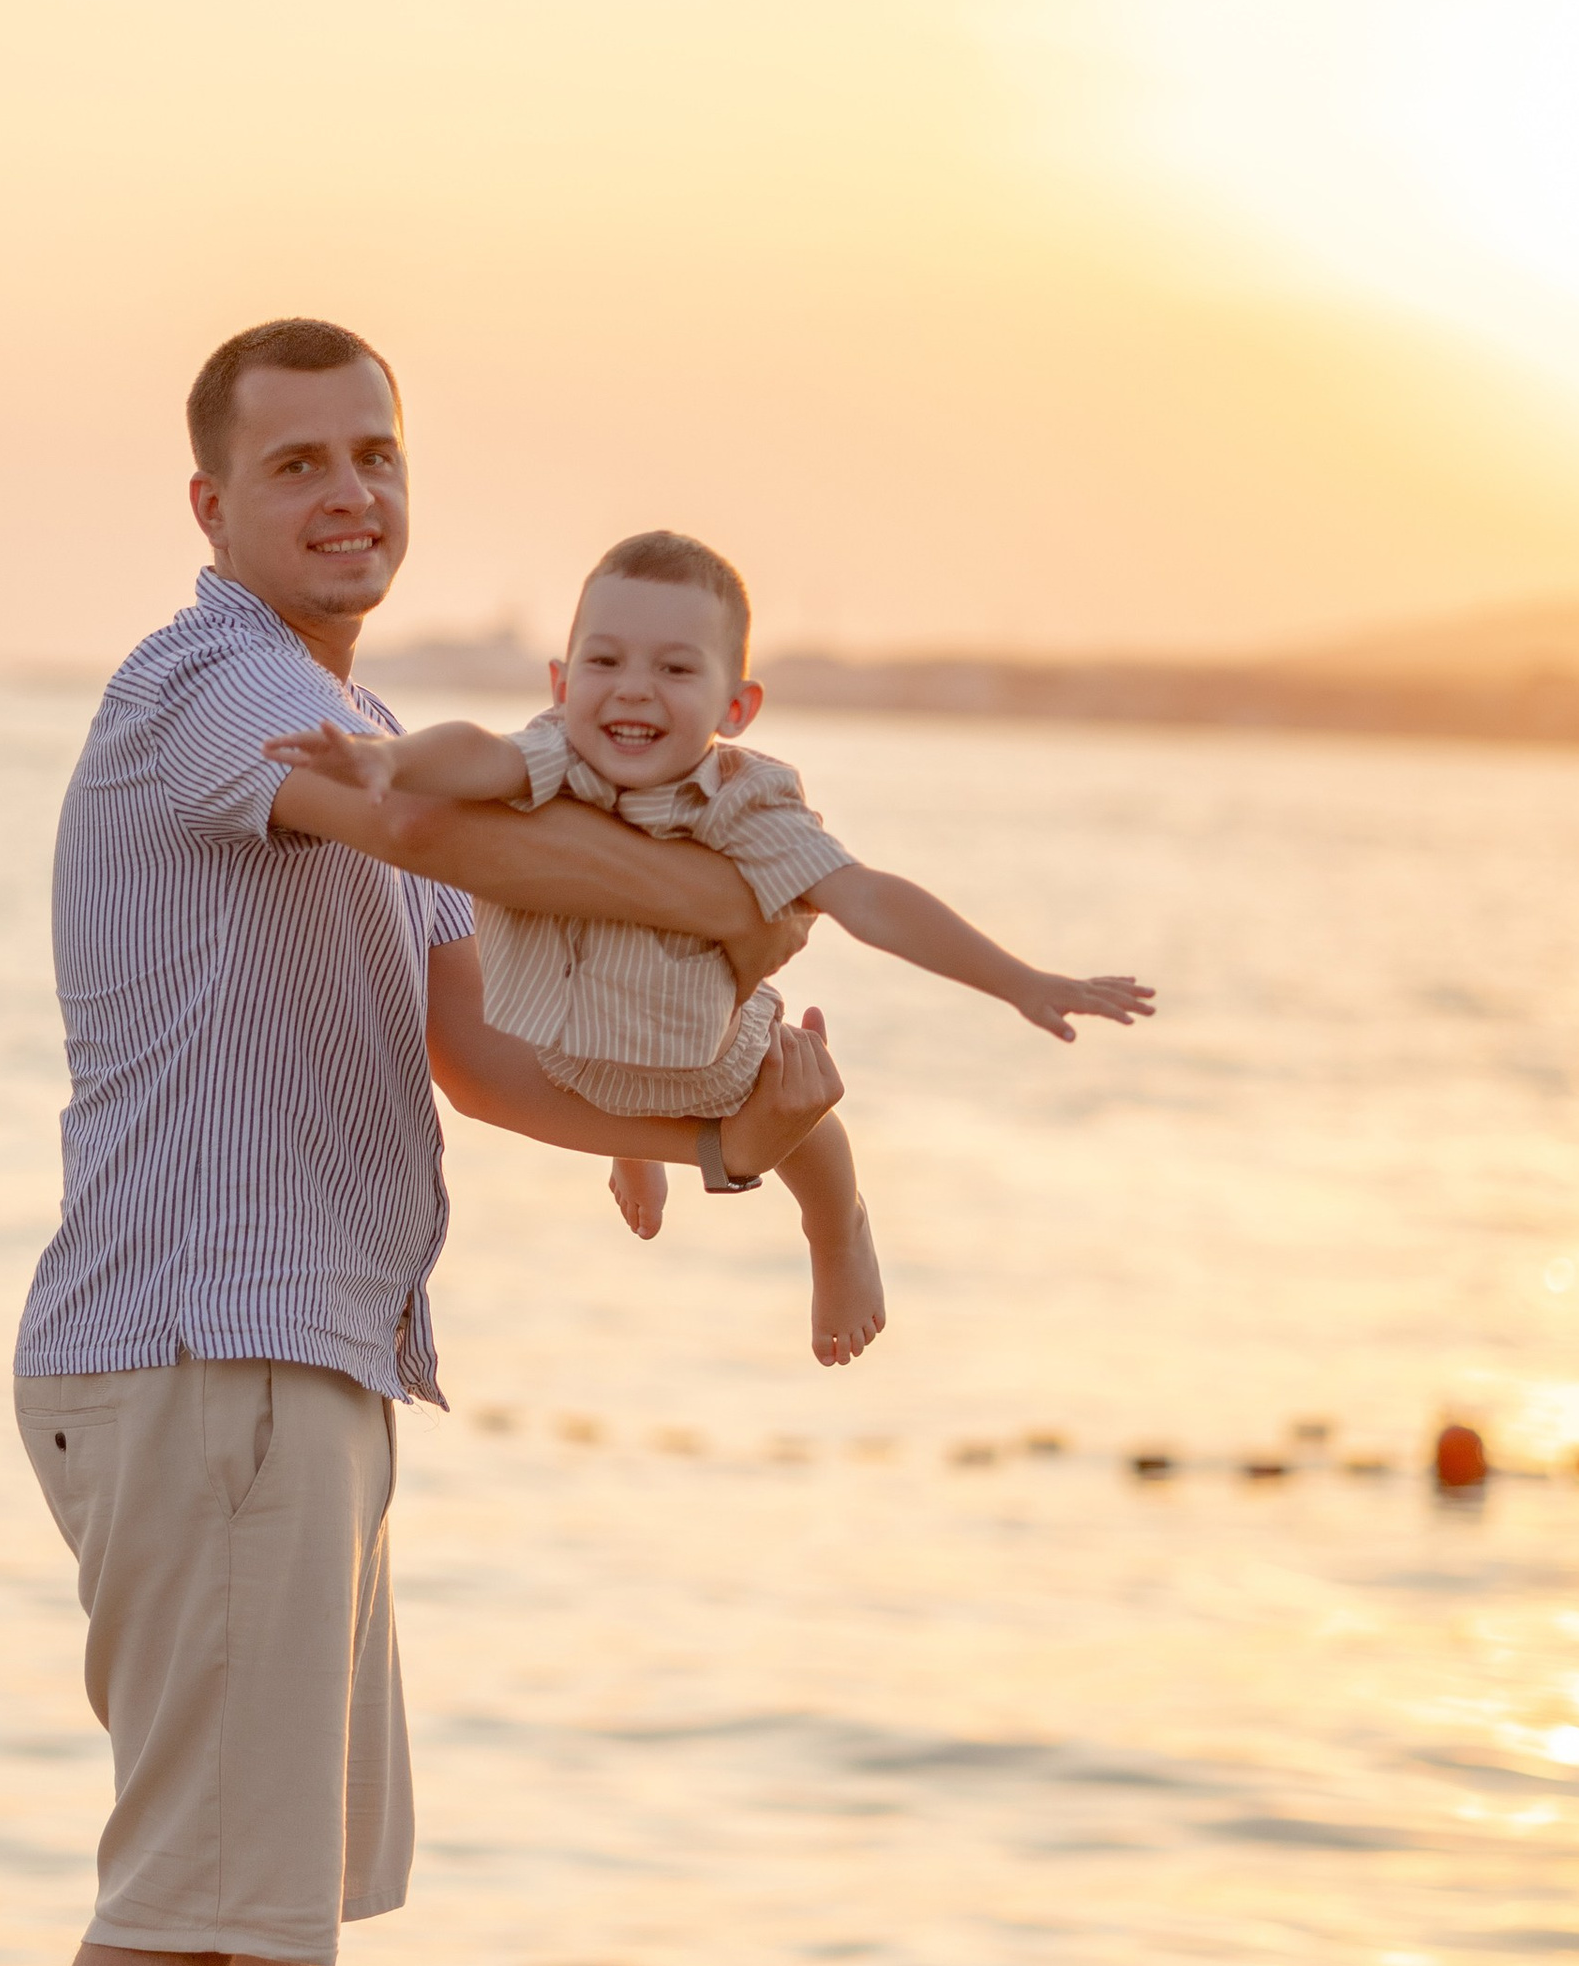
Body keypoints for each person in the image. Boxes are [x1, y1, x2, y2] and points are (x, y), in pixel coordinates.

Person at [13, 319, 840, 1966]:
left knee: (273, 1874)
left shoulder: (367, 731)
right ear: (212, 509)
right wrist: (761, 889)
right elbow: (465, 850)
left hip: (313, 1349)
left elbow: (475, 1058)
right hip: (204, 1348)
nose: (349, 494)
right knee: (184, 1886)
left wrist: (737, 1131)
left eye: (376, 454)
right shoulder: (218, 692)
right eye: (296, 464)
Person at [271, 528, 1152, 1368]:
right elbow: (477, 753)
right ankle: (634, 1146)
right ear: (560, 679)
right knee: (602, 1028)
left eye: (676, 668)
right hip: (569, 1051)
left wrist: (1018, 980)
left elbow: (869, 897)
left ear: (736, 706)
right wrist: (391, 761)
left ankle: (837, 1231)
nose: (633, 690)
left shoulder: (740, 800)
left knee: (807, 1119)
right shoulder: (557, 755)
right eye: (605, 661)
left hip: (712, 1056)